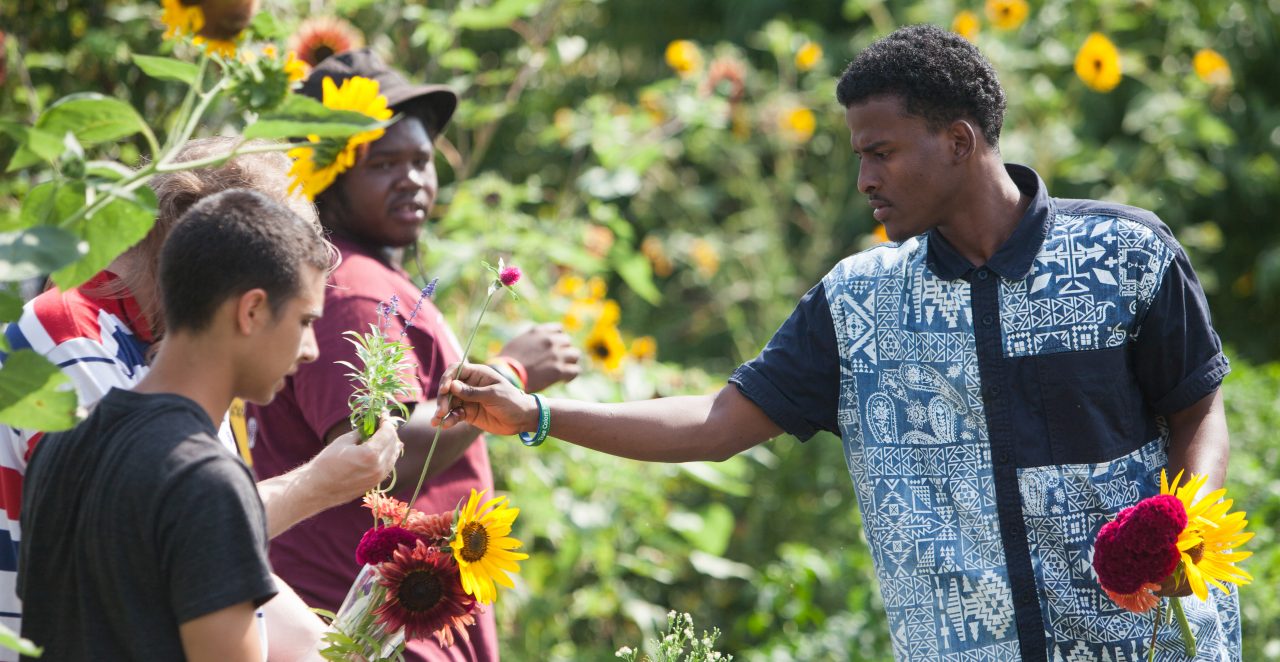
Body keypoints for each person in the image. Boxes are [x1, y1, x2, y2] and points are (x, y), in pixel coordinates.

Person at [432, 25, 1239, 662]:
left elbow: (1198, 410)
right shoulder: (858, 300)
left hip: (1149, 645)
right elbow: (718, 426)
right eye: (860, 156)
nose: (865, 181)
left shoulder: (1124, 254)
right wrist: (536, 413)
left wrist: (1181, 528)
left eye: (880, 152)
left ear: (959, 142)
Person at [0, 138, 402, 660]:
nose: (309, 350)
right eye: (303, 320)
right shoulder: (74, 334)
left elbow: (205, 563)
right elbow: (154, 530)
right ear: (248, 302)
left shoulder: (172, 372)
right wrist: (315, 484)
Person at [247, 48, 580, 661]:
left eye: (422, 160)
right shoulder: (353, 288)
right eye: (385, 163)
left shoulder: (360, 276)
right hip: (361, 633)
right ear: (330, 173)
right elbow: (374, 452)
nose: (413, 179)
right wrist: (510, 374)